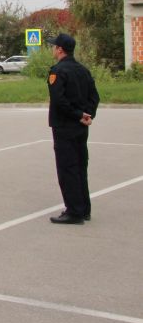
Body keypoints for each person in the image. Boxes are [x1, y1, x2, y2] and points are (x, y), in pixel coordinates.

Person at [46, 33, 99, 225]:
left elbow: (59, 101)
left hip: (64, 126)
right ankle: (84, 209)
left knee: (67, 168)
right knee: (80, 166)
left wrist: (78, 115)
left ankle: (74, 212)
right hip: (80, 127)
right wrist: (87, 115)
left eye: (54, 46)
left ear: (60, 50)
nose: (53, 49)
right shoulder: (83, 70)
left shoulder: (58, 71)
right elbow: (95, 97)